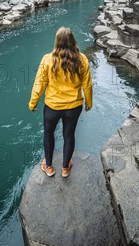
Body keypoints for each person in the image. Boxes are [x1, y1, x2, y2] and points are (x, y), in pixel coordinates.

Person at [28, 26, 93, 178]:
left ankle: (49, 167)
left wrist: (33, 102)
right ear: (73, 41)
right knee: (69, 135)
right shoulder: (82, 59)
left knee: (48, 134)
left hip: (52, 107)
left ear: (56, 41)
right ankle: (65, 168)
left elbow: (40, 83)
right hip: (74, 106)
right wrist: (89, 102)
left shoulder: (47, 59)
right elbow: (87, 84)